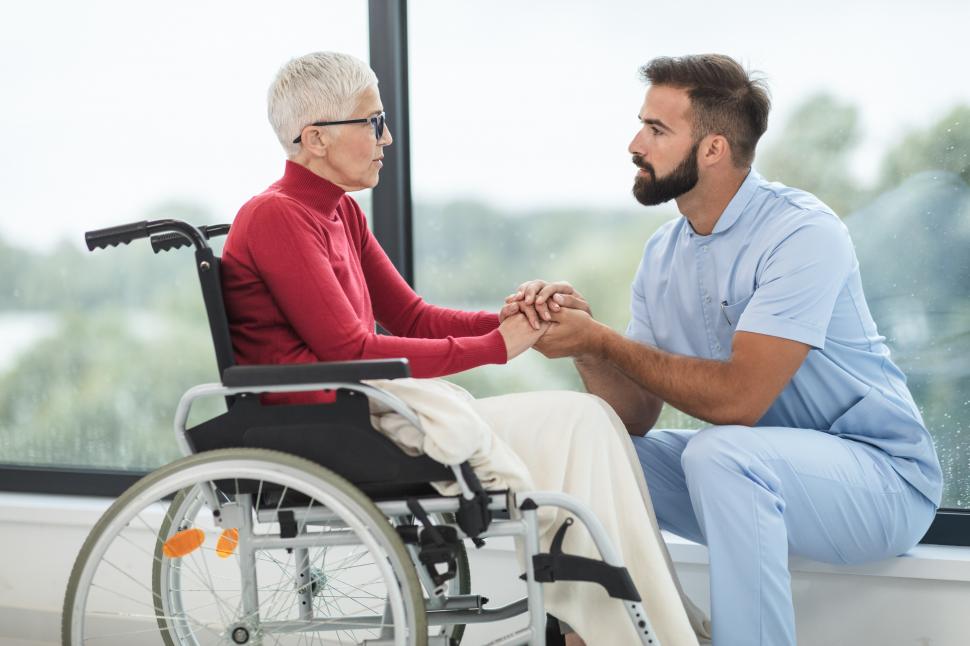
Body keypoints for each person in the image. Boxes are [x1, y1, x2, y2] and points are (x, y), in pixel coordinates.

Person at [220, 51, 704, 646]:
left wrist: (516, 316)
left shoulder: (340, 212)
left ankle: (609, 622)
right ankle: (618, 628)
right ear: (315, 139)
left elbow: (412, 316)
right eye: (372, 122)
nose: (386, 137)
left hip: (369, 409)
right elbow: (350, 347)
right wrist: (499, 347)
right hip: (337, 423)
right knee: (578, 423)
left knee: (591, 418)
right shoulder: (276, 216)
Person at [518, 54, 943, 646]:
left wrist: (604, 340)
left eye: (657, 130)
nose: (635, 143)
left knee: (720, 452)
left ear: (713, 149)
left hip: (880, 482)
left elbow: (740, 400)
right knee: (600, 449)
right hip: (757, 475)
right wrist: (585, 345)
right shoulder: (662, 253)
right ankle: (629, 633)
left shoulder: (802, 233)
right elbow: (636, 418)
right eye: (642, 124)